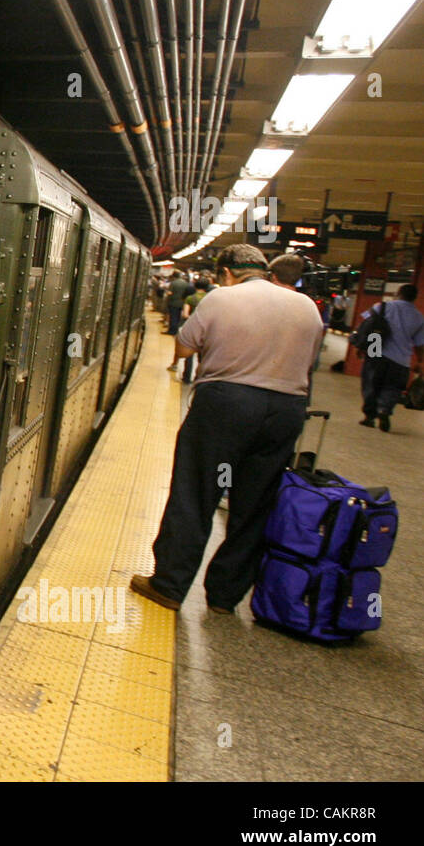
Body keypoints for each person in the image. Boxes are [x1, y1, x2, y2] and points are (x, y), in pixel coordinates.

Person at [130, 243, 324, 615]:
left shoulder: (222, 299)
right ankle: (224, 596)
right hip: (286, 410)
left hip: (226, 403)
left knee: (196, 491)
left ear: (226, 273)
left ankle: (169, 584)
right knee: (254, 504)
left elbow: (185, 347)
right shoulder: (307, 309)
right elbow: (308, 362)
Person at [356, 283, 424, 432]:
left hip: (376, 352)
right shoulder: (419, 318)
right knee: (393, 387)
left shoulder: (381, 306)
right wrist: (420, 361)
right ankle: (384, 410)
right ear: (414, 298)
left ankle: (369, 417)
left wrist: (361, 346)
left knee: (371, 384)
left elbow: (365, 324)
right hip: (401, 360)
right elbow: (420, 344)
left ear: (398, 293)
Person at [268, 253, 323, 404]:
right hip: (292, 390)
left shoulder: (261, 300)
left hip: (257, 386)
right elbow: (313, 357)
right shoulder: (309, 306)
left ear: (273, 276)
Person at [165, 270, 193, 335]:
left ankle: (172, 331)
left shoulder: (173, 283)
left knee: (173, 317)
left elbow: (169, 293)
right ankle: (177, 331)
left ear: (173, 276)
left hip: (173, 302)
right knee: (178, 318)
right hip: (182, 303)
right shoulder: (185, 283)